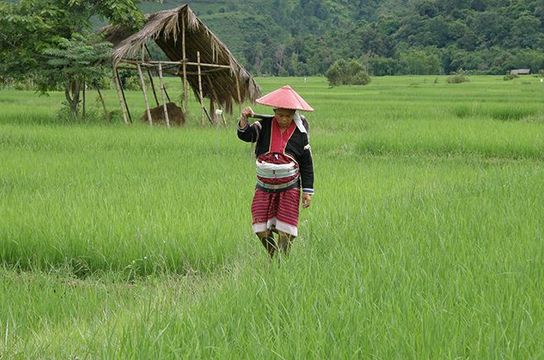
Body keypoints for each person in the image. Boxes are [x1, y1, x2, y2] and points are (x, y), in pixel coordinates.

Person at [237, 85, 314, 257]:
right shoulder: (263, 125)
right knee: (261, 229)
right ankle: (274, 255)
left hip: (290, 188)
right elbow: (245, 135)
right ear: (274, 111)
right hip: (264, 187)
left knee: (286, 231)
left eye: (287, 116)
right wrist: (244, 119)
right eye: (279, 115)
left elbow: (307, 164)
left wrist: (307, 192)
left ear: (294, 113)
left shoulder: (301, 133)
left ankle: (281, 262)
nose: (283, 119)